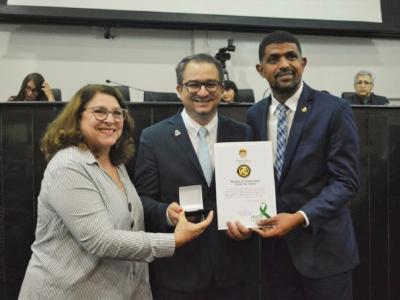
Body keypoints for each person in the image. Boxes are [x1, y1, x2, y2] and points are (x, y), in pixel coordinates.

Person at [18, 84, 213, 299]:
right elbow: (102, 241)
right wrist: (173, 241)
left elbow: (129, 221)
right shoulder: (68, 165)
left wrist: (168, 214)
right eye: (99, 111)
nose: (110, 120)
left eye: (117, 113)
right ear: (77, 117)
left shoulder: (115, 163)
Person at [247, 31, 360, 300]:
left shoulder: (334, 109)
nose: (284, 64)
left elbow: (346, 182)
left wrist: (299, 218)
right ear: (261, 70)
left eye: (291, 56)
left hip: (325, 252)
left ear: (303, 62)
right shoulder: (254, 114)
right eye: (274, 59)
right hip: (275, 254)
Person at [134, 53, 253, 299]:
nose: (202, 91)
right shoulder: (154, 138)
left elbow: (251, 192)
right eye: (193, 84)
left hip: (231, 271)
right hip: (177, 273)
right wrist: (167, 213)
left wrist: (249, 224)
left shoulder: (243, 134)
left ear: (221, 89)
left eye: (211, 84)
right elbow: (142, 201)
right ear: (179, 89)